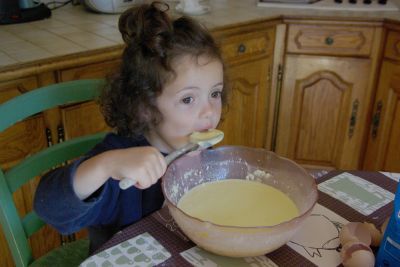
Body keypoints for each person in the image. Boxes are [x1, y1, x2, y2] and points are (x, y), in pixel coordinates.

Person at [34, 1, 227, 253]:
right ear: (144, 106)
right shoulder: (120, 164)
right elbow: (49, 207)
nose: (210, 111)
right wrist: (106, 166)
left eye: (215, 93)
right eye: (188, 99)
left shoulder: (202, 153)